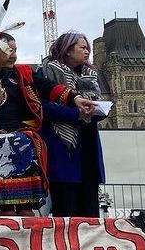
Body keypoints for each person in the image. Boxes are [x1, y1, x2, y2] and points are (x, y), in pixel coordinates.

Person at [0, 32, 95, 216]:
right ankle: (6, 207)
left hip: (21, 131)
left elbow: (49, 87)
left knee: (24, 142)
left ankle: (26, 205)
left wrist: (76, 98)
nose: (14, 55)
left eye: (16, 51)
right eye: (9, 50)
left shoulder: (22, 73)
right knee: (0, 144)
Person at [39, 32, 105, 217]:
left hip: (87, 142)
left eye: (88, 48)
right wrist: (76, 114)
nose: (87, 52)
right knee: (65, 205)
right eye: (82, 48)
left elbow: (96, 104)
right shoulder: (47, 72)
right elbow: (42, 107)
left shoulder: (90, 75)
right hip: (61, 143)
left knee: (90, 206)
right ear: (67, 50)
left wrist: (98, 111)